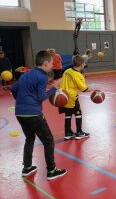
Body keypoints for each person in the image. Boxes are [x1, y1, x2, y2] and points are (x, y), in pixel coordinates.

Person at [11, 50, 67, 180]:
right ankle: (52, 170)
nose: (52, 65)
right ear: (46, 63)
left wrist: (22, 101)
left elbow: (14, 89)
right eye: (51, 63)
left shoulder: (27, 74)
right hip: (33, 113)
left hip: (20, 113)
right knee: (48, 140)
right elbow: (41, 96)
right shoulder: (42, 76)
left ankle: (27, 167)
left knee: (29, 138)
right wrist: (54, 87)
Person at [60, 55, 95, 140]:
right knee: (78, 113)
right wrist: (96, 88)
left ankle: (67, 133)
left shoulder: (67, 71)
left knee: (68, 114)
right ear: (82, 64)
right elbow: (84, 89)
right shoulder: (77, 75)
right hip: (72, 97)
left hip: (63, 96)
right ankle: (79, 132)